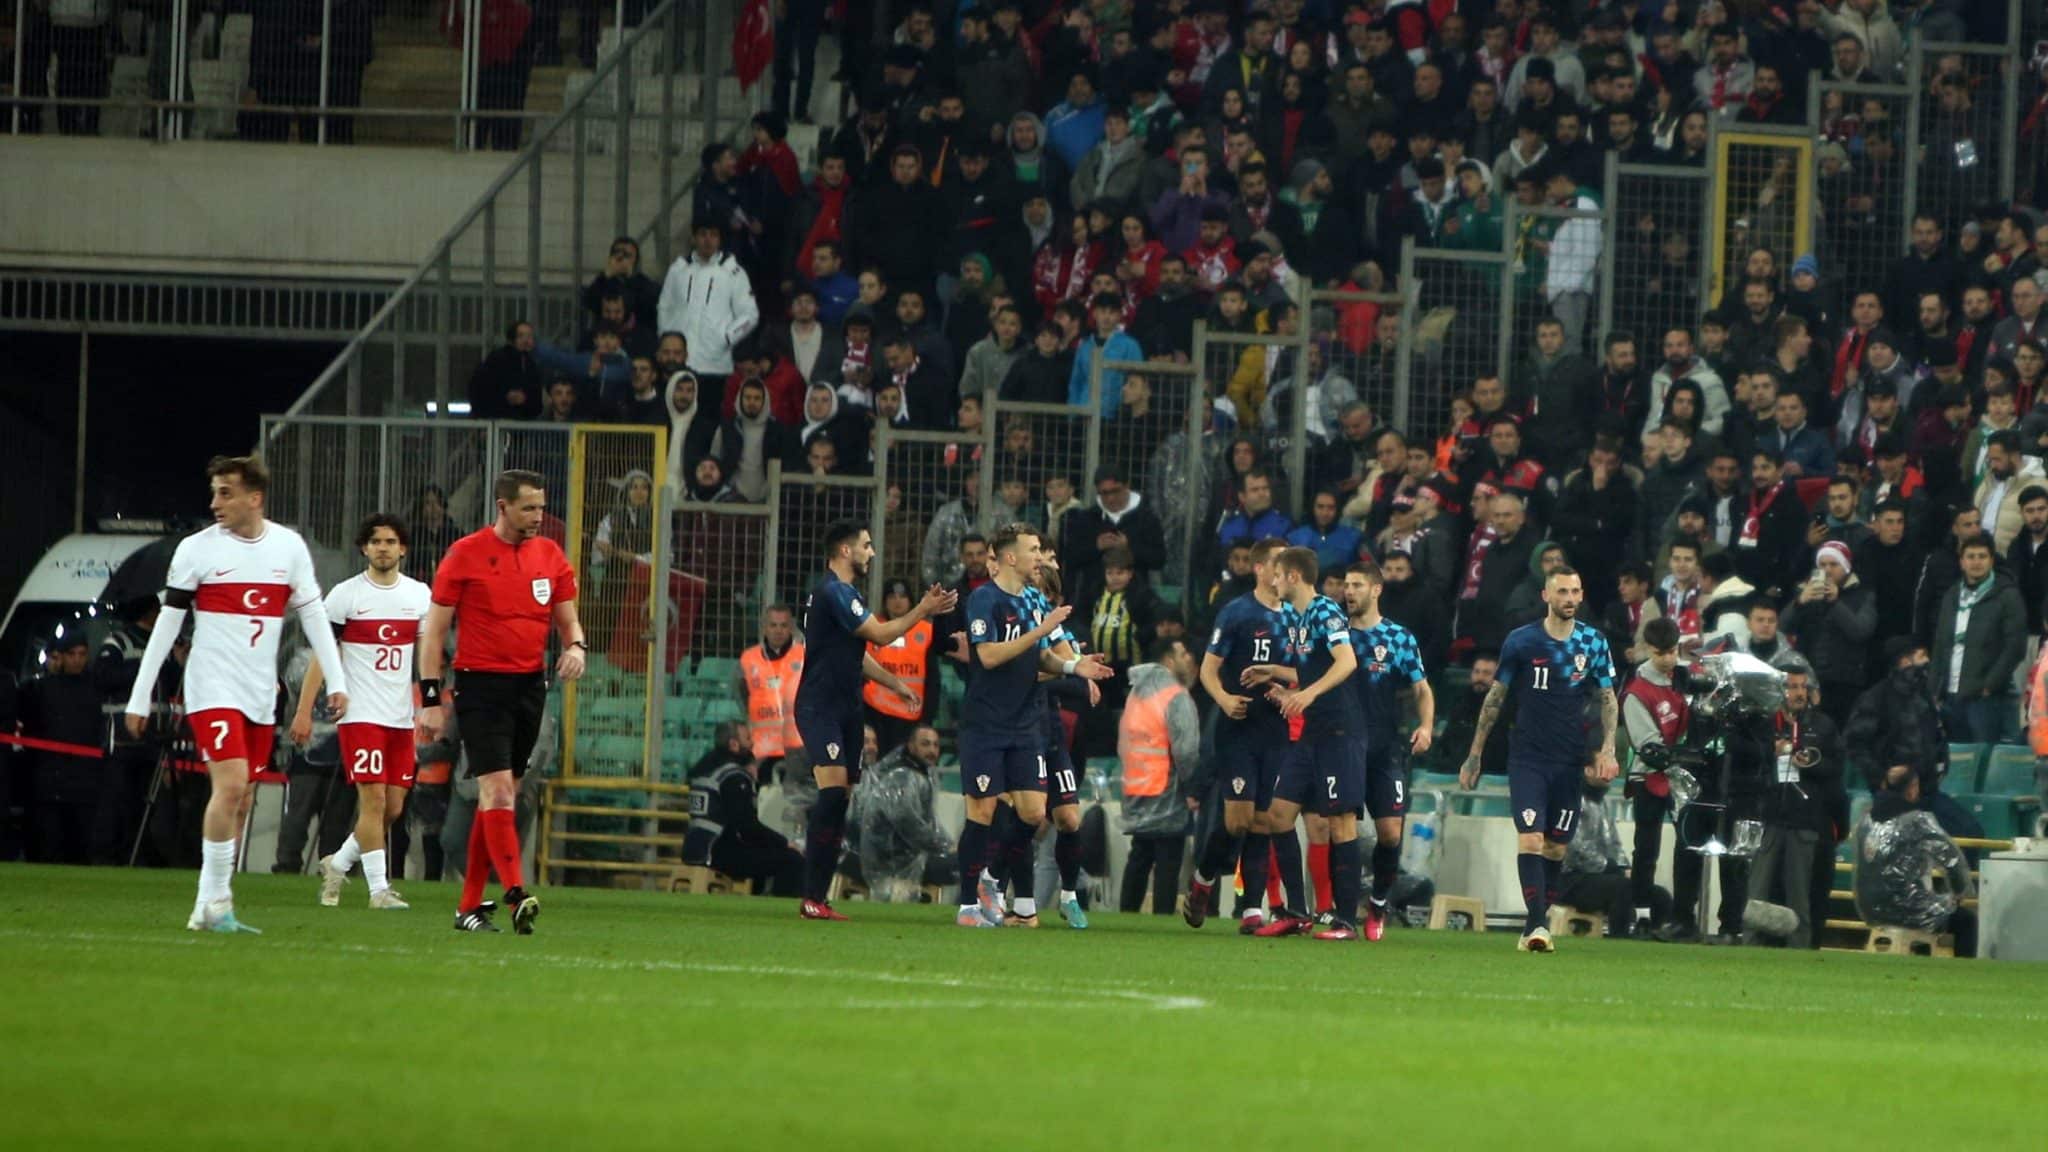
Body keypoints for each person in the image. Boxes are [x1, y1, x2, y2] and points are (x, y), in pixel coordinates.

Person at [123, 456, 349, 934]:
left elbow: (315, 620)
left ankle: (211, 905)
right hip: (213, 688)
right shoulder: (196, 551)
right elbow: (167, 627)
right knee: (228, 787)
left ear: (255, 498)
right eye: (214, 492)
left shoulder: (287, 548)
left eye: (226, 492)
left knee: (243, 798)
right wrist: (139, 698)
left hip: (259, 693)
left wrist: (339, 681)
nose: (214, 502)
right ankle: (214, 902)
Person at [419, 470, 586, 935]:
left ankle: (468, 906)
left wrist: (576, 649)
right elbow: (432, 633)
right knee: (497, 792)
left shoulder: (550, 556)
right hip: (479, 687)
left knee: (501, 797)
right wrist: (432, 698)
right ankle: (516, 891)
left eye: (541, 506)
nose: (538, 516)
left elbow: (569, 624)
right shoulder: (465, 554)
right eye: (528, 508)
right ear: (502, 506)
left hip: (530, 688)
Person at [792, 522, 953, 921]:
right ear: (846, 552)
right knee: (830, 798)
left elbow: (856, 652)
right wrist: (922, 610)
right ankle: (812, 895)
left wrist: (894, 683)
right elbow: (880, 635)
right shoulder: (833, 591)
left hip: (847, 707)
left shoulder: (842, 594)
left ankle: (820, 898)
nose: (872, 552)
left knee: (841, 799)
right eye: (866, 546)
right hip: (822, 706)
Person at [1460, 566, 1620, 953]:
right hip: (1529, 757)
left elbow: (1608, 698)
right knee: (1531, 838)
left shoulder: (1593, 643)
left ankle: (1535, 925)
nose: (1570, 598)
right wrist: (1474, 753)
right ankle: (1537, 925)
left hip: (1570, 760)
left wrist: (1609, 748)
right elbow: (1495, 698)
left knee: (1555, 848)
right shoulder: (1522, 641)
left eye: (1576, 591)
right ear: (1546, 596)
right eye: (1562, 591)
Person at [954, 524, 1104, 928]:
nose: (1040, 556)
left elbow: (1043, 657)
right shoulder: (983, 599)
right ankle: (969, 905)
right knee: (982, 811)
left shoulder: (1035, 599)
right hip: (986, 721)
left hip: (1025, 724)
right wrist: (1038, 632)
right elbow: (987, 656)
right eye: (1033, 550)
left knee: (1033, 813)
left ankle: (989, 877)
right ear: (1009, 557)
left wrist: (1074, 666)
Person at [287, 513, 433, 911]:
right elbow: (322, 655)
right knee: (372, 802)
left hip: (401, 718)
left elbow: (428, 655)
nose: (383, 548)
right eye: (375, 542)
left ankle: (339, 861)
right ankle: (377, 891)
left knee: (393, 809)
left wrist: (432, 703)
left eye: (390, 541)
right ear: (364, 549)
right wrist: (303, 712)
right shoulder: (345, 596)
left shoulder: (419, 595)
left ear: (402, 548)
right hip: (360, 715)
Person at [1239, 547, 1363, 940]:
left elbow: (1346, 662)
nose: (1272, 582)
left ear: (1292, 576)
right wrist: (1276, 674)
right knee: (1278, 816)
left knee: (1340, 820)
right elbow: (1312, 667)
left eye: (1276, 575)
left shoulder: (1326, 611)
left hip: (1339, 731)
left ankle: (1344, 919)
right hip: (1312, 733)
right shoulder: (1298, 617)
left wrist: (1306, 695)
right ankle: (1296, 911)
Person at [1184, 537, 1296, 932]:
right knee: (1238, 821)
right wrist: (1224, 699)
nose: (1287, 572)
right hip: (1238, 727)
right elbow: (1208, 670)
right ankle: (1204, 879)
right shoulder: (1237, 612)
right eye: (1280, 564)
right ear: (1260, 568)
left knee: (1264, 821)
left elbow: (1308, 672)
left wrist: (1287, 685)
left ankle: (1251, 909)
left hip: (1276, 729)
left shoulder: (1297, 617)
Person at [1342, 560, 1435, 940]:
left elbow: (1422, 690)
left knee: (1390, 834)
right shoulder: (1335, 634)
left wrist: (1426, 726)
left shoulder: (1398, 638)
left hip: (1384, 747)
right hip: (1342, 744)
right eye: (1346, 585)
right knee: (1339, 830)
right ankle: (1342, 911)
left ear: (1376, 590)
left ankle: (1379, 903)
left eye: (1357, 585)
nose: (1349, 592)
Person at [1743, 662, 1842, 950]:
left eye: (1802, 687)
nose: (1798, 693)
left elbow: (1837, 767)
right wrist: (1767, 752)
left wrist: (1813, 763)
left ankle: (1800, 953)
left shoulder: (1822, 726)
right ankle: (1749, 948)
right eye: (1791, 686)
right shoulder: (1761, 724)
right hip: (1768, 818)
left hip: (1804, 821)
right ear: (1778, 689)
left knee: (1800, 897)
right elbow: (1743, 761)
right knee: (1756, 894)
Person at [1852, 765, 1978, 957]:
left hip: (1869, 909)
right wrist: (1960, 891)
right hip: (1907, 910)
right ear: (1912, 788)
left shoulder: (1866, 820)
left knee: (1926, 901)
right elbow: (1951, 858)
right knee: (1966, 921)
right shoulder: (1917, 820)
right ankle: (1964, 973)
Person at [1117, 638, 1200, 916]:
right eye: (1182, 653)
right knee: (1168, 859)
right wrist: (1193, 786)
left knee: (1140, 854)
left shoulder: (1137, 693)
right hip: (1167, 786)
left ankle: (1127, 913)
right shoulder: (1175, 695)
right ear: (1168, 660)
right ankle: (1162, 916)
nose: (1188, 658)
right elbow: (1186, 748)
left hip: (1137, 783)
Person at [683, 723, 804, 897]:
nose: (752, 744)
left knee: (763, 854)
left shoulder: (705, 767)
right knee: (792, 860)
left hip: (695, 847)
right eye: (747, 739)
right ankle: (780, 914)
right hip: (718, 851)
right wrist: (784, 843)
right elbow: (747, 828)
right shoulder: (732, 776)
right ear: (734, 744)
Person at [1929, 536, 2026, 744]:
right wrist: (1934, 689)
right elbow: (1940, 645)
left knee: (1983, 760)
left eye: (1982, 556)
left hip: (1984, 698)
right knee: (1956, 761)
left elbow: (2015, 647)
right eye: (1970, 556)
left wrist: (1989, 686)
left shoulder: (2007, 596)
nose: (1976, 562)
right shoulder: (1952, 595)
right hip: (1950, 695)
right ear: (1961, 562)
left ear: (1991, 560)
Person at [861, 580, 933, 757]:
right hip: (874, 712)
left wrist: (927, 718)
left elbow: (933, 680)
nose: (897, 601)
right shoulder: (872, 628)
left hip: (910, 715)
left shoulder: (926, 631)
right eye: (892, 596)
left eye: (902, 596)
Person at [738, 604, 805, 782]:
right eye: (773, 625)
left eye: (783, 625)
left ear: (791, 627)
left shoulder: (804, 656)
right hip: (762, 750)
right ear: (764, 628)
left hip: (796, 749)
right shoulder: (748, 659)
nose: (778, 631)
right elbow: (741, 697)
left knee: (794, 804)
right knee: (766, 804)